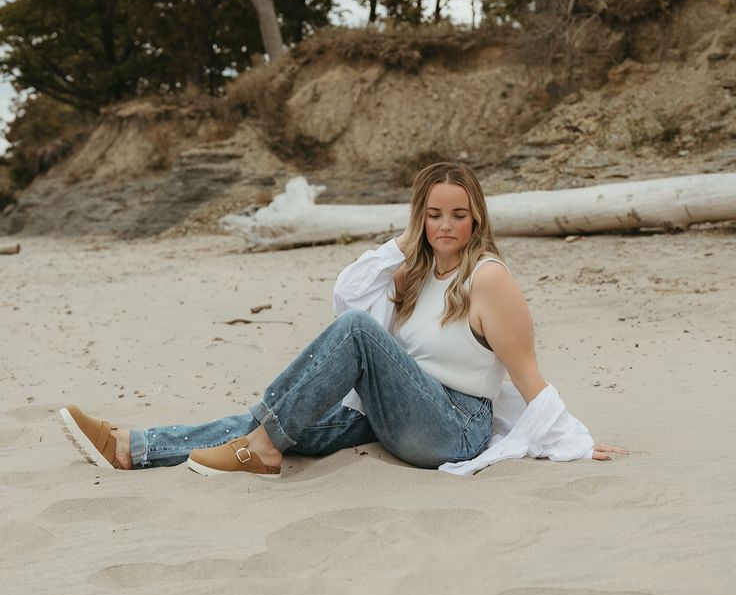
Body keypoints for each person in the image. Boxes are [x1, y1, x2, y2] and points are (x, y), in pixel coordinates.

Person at [59, 162, 626, 477]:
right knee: (289, 417)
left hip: (452, 428)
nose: (445, 226)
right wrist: (406, 247)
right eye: (432, 215)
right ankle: (133, 446)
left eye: (458, 214)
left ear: (477, 217)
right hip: (398, 413)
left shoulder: (489, 279)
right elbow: (349, 294)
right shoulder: (416, 273)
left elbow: (527, 372)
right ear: (420, 218)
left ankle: (260, 446)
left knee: (354, 342)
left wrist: (572, 440)